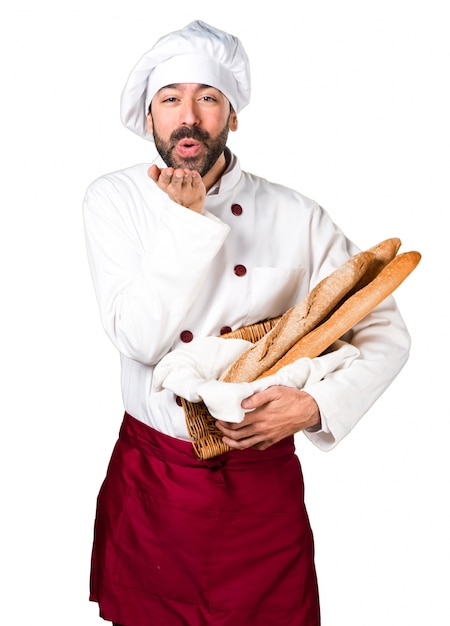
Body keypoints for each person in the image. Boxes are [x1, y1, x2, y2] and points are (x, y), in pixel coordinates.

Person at [83, 20, 411, 626]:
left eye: (208, 98)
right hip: (155, 481)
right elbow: (140, 338)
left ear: (233, 115)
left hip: (262, 488)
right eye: (170, 99)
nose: (189, 116)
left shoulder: (296, 215)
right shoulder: (115, 202)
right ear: (148, 115)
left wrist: (316, 407)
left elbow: (385, 330)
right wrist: (186, 223)